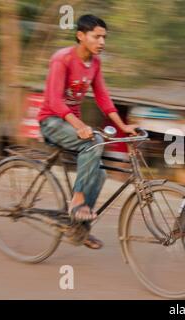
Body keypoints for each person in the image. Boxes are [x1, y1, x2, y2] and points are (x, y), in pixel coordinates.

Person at [37, 14, 139, 249]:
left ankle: (78, 229)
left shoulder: (95, 63)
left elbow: (103, 97)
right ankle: (78, 201)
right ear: (81, 36)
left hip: (70, 124)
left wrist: (123, 127)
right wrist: (79, 126)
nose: (102, 42)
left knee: (100, 174)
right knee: (93, 141)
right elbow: (53, 100)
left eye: (104, 37)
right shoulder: (61, 59)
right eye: (97, 36)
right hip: (51, 121)